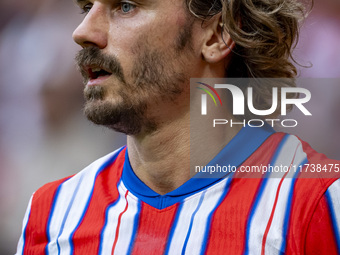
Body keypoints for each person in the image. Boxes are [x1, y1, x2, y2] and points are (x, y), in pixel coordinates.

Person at [16, 0, 340, 254]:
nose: (83, 31)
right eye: (87, 6)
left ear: (216, 35)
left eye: (126, 5)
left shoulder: (317, 203)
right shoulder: (53, 214)